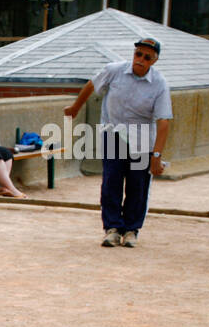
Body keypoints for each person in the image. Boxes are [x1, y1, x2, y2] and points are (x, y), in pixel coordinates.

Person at [64, 37, 172, 248]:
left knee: (137, 185)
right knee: (111, 181)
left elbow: (164, 122)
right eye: (138, 54)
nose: (140, 59)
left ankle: (131, 229)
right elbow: (92, 84)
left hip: (141, 137)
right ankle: (112, 228)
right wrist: (76, 106)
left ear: (154, 61)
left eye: (147, 57)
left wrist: (156, 156)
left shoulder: (159, 84)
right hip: (114, 132)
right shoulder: (114, 70)